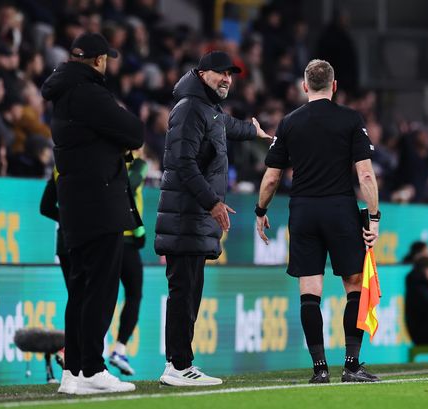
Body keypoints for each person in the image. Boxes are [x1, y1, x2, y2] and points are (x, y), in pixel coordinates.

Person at [255, 59, 380, 384]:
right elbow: (365, 173)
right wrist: (375, 217)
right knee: (354, 284)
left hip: (304, 211)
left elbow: (271, 178)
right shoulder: (350, 119)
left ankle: (319, 369)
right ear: (334, 86)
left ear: (305, 86)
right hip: (340, 209)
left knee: (310, 291)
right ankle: (351, 365)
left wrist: (260, 210)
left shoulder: (289, 123)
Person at [155, 50, 273, 386]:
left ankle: (180, 364)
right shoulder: (191, 108)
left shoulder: (207, 109)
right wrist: (212, 203)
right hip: (186, 217)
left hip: (192, 218)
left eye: (230, 74)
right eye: (221, 72)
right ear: (202, 73)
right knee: (183, 293)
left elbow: (228, 127)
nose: (227, 79)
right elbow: (182, 163)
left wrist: (254, 133)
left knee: (189, 293)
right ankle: (177, 366)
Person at [41, 32, 144, 395]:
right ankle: (92, 369)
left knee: (81, 291)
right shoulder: (91, 93)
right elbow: (135, 132)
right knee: (99, 291)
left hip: (75, 206)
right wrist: (116, 131)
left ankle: (72, 373)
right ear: (99, 60)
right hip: (100, 204)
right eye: (106, 59)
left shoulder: (64, 92)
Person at [109, 150, 148, 376]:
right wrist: (139, 229)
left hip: (107, 238)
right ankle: (119, 348)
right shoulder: (136, 164)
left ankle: (81, 352)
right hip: (126, 240)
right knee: (133, 295)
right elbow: (129, 189)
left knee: (101, 296)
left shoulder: (104, 160)